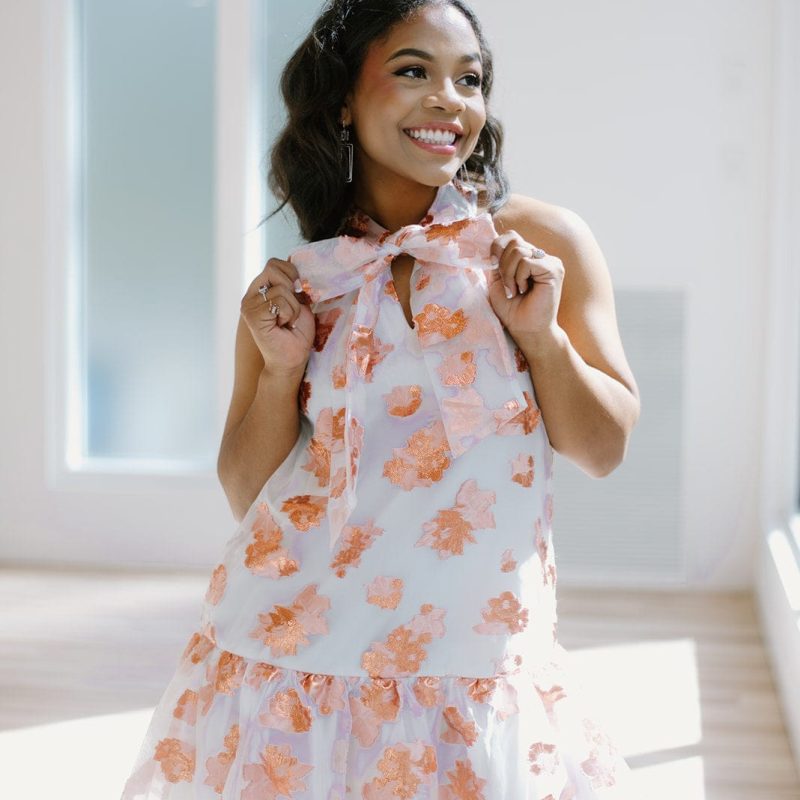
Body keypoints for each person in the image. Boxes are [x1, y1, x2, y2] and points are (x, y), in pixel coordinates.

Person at [121, 0, 641, 797]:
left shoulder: (538, 248)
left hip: (474, 665)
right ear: (342, 101)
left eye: (469, 79)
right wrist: (279, 368)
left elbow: (603, 451)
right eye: (413, 71)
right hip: (293, 658)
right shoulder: (304, 282)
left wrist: (543, 339)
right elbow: (244, 492)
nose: (449, 100)